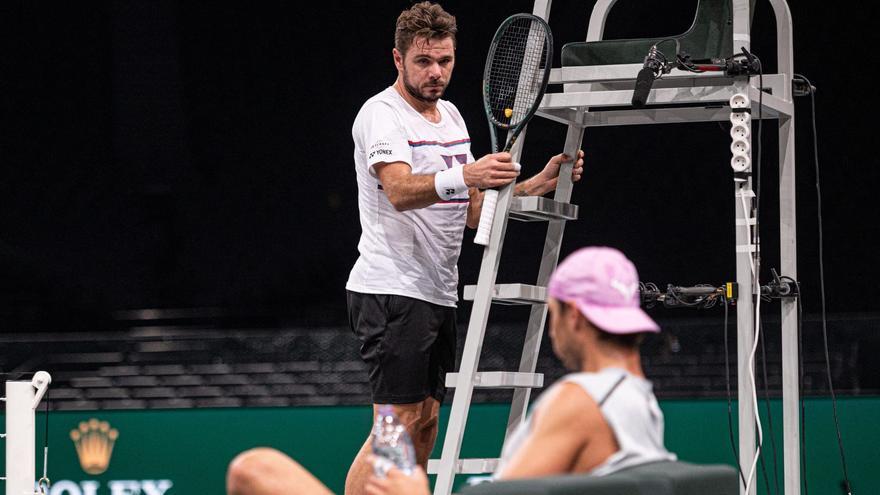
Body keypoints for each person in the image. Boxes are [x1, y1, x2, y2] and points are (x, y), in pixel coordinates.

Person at [341, 2, 583, 495]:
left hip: (437, 293)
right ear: (397, 59)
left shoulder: (450, 116)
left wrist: (537, 183)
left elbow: (472, 209)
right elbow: (401, 191)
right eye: (423, 61)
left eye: (445, 61)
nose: (435, 73)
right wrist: (466, 175)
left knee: (426, 422)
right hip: (390, 290)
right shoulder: (380, 114)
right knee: (395, 428)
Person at [227, 247, 675, 495]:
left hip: (402, 300)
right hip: (405, 301)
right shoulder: (641, 400)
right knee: (399, 427)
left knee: (255, 469)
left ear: (574, 316)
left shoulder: (580, 401)